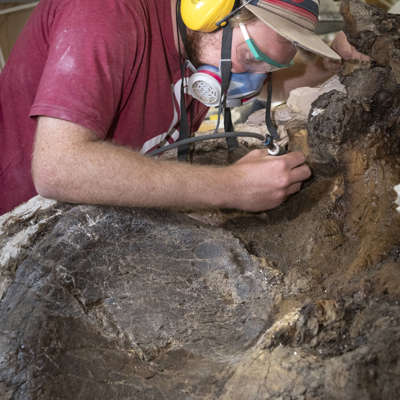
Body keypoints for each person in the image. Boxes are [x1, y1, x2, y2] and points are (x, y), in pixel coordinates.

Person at [0, 0, 367, 215]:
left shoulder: (201, 47)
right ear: (208, 9)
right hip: (20, 229)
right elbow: (59, 167)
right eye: (250, 58)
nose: (255, 80)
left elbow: (260, 79)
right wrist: (230, 186)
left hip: (98, 212)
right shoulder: (104, 13)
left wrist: (330, 65)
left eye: (268, 67)